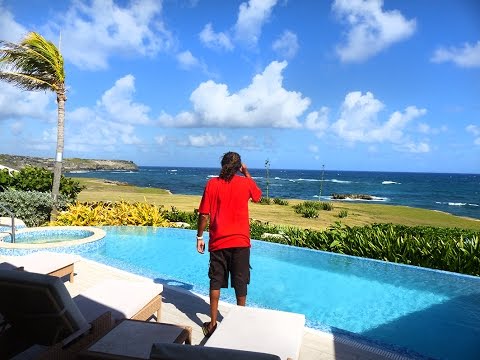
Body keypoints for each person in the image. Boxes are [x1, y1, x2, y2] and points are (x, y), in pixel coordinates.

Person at [196, 151, 262, 337]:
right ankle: (240, 325)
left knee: (215, 281)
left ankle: (213, 324)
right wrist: (247, 173)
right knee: (240, 282)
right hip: (241, 242)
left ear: (222, 165)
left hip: (218, 243)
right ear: (239, 167)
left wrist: (200, 237)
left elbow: (203, 215)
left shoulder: (212, 184)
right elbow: (258, 197)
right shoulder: (245, 182)